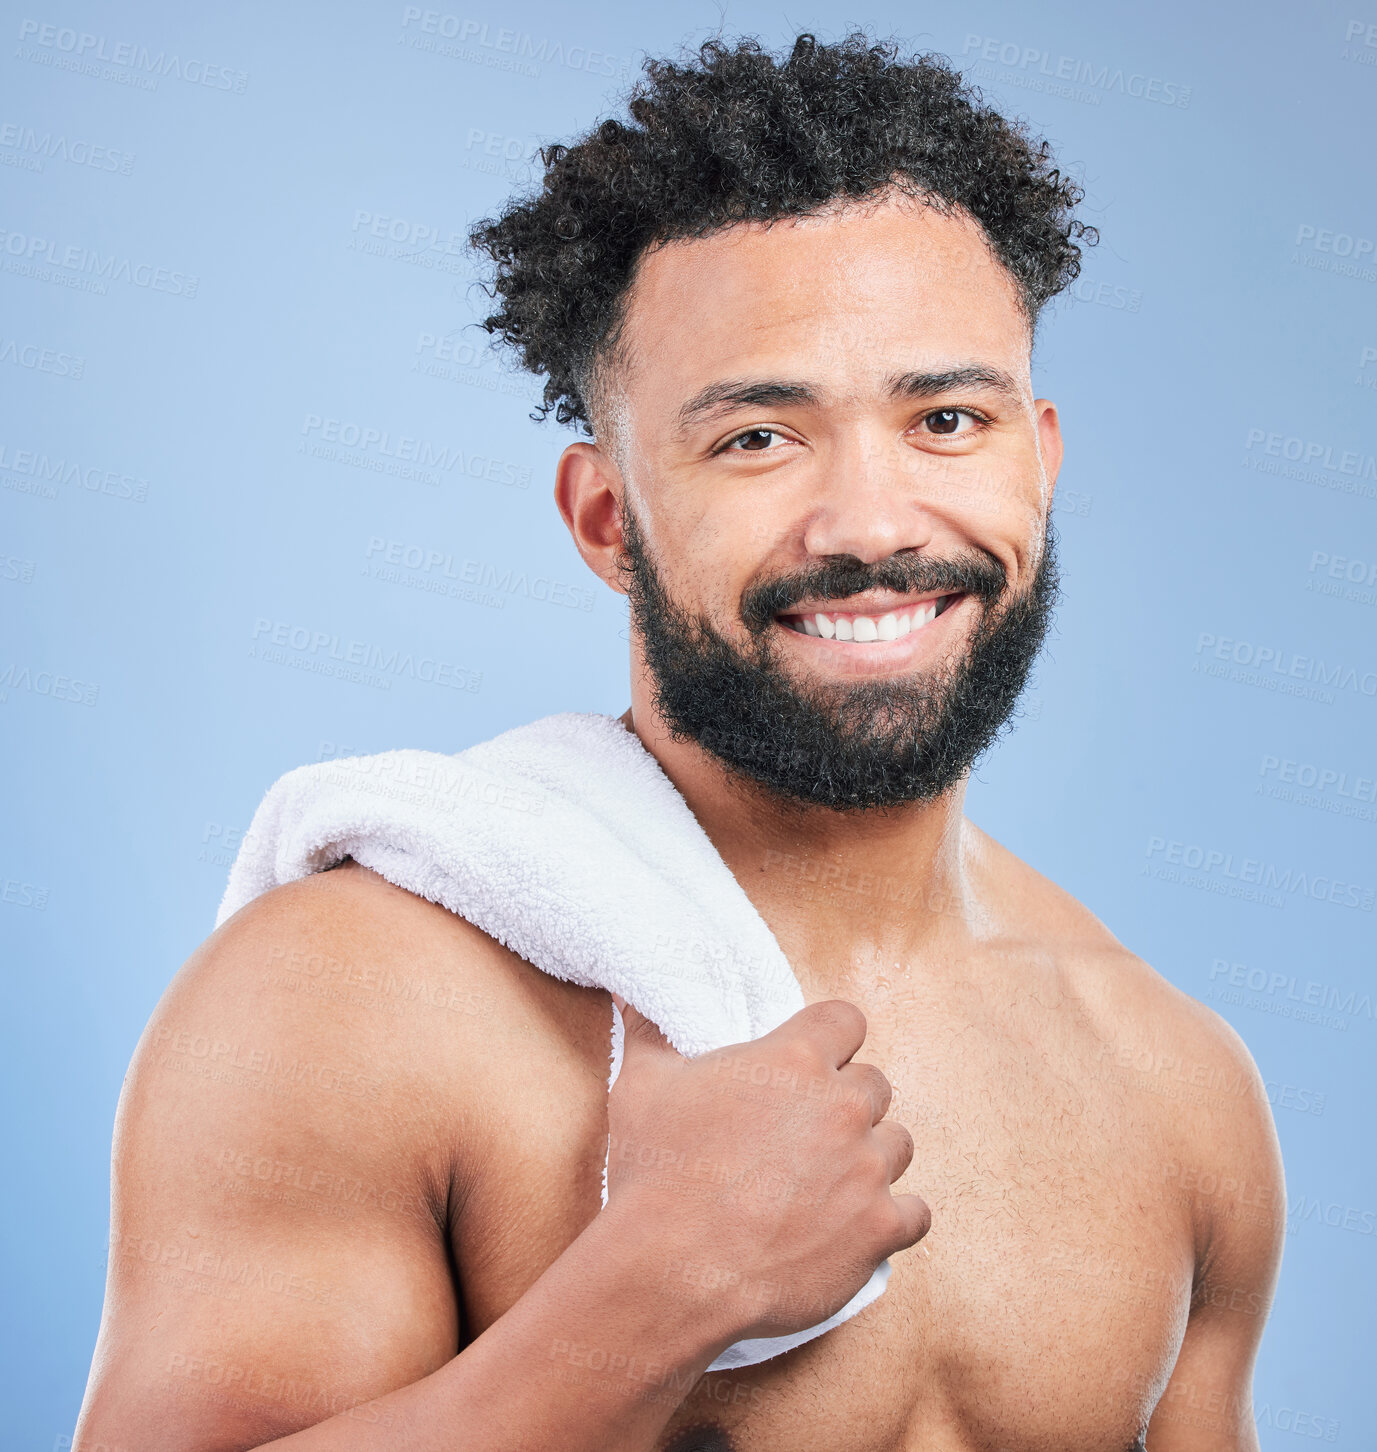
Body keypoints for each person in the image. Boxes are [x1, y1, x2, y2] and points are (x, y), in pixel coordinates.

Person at [73, 32, 1285, 1452]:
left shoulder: (1170, 1080)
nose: (873, 525)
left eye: (946, 419)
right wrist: (647, 1298)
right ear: (604, 520)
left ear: (1041, 458)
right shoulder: (357, 1000)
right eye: (757, 440)